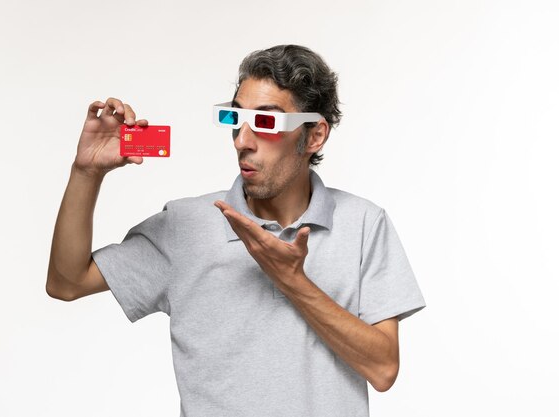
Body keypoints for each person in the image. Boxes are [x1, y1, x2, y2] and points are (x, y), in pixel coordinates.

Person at [46, 44, 426, 417]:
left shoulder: (363, 223)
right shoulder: (186, 224)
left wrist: (293, 281)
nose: (242, 142)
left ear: (314, 136)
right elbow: (67, 282)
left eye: (266, 121)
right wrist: (86, 173)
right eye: (234, 119)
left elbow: (383, 369)